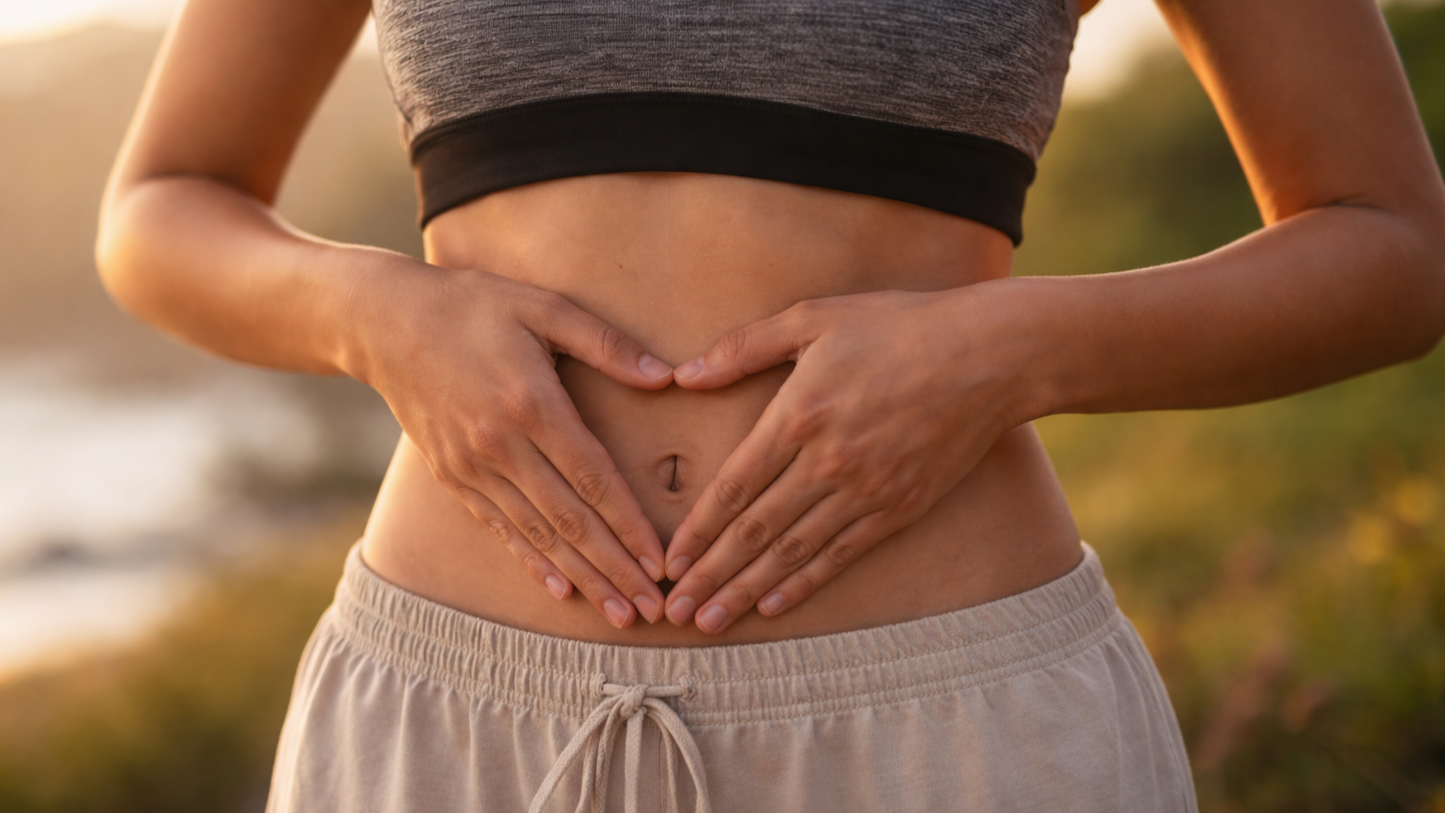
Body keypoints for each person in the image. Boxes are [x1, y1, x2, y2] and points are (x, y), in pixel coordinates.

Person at [95, 0, 1445, 810]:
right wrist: (376, 316)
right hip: (458, 727)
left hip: (949, 734)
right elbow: (164, 204)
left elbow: (1390, 244)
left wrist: (1005, 351)